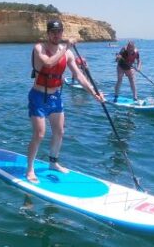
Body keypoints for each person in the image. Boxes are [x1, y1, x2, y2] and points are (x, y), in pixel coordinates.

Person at [26, 20, 104, 184]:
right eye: (53, 32)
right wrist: (67, 48)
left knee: (59, 131)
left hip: (55, 97)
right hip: (38, 96)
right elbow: (48, 62)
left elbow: (79, 75)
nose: (56, 35)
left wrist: (94, 93)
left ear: (62, 33)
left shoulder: (67, 53)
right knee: (39, 134)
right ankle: (30, 169)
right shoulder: (39, 48)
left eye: (59, 31)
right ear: (48, 33)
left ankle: (53, 162)